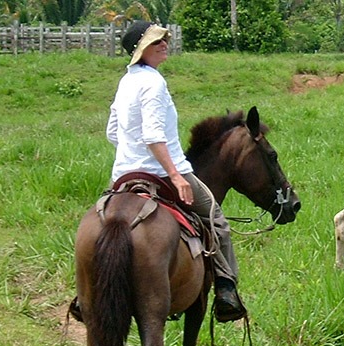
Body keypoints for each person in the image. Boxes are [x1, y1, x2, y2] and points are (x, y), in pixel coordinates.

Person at [105, 20, 245, 322]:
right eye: (157, 42)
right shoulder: (154, 83)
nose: (164, 44)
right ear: (142, 50)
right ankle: (226, 290)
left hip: (124, 175)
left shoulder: (125, 81)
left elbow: (113, 132)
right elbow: (154, 136)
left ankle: (87, 294)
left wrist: (132, 155)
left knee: (105, 224)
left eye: (164, 40)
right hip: (163, 172)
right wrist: (177, 176)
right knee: (216, 221)